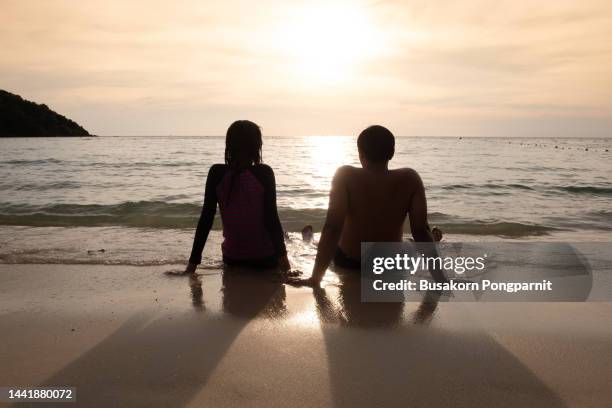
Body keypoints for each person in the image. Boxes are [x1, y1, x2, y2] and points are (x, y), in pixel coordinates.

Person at [287, 125, 445, 286]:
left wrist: (315, 279)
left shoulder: (345, 175)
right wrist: (440, 280)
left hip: (350, 261)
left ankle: (309, 239)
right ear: (392, 153)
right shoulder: (410, 178)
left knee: (329, 242)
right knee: (410, 244)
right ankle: (434, 239)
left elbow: (333, 228)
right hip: (389, 265)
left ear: (360, 153)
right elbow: (420, 231)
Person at [184, 120, 290, 274]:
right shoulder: (264, 173)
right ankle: (295, 241)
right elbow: (272, 219)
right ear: (257, 147)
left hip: (232, 259)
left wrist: (191, 266)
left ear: (229, 146)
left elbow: (206, 220)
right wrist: (286, 267)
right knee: (284, 236)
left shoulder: (216, 173)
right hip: (265, 259)